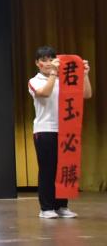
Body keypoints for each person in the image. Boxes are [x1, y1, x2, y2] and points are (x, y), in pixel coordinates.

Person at [28, 46, 92, 219]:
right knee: (47, 170)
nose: (48, 63)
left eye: (51, 59)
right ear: (37, 63)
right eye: (44, 60)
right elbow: (44, 93)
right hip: (45, 130)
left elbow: (86, 94)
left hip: (66, 129)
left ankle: (62, 206)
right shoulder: (35, 80)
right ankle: (46, 208)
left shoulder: (65, 78)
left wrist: (84, 74)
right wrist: (54, 74)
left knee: (64, 168)